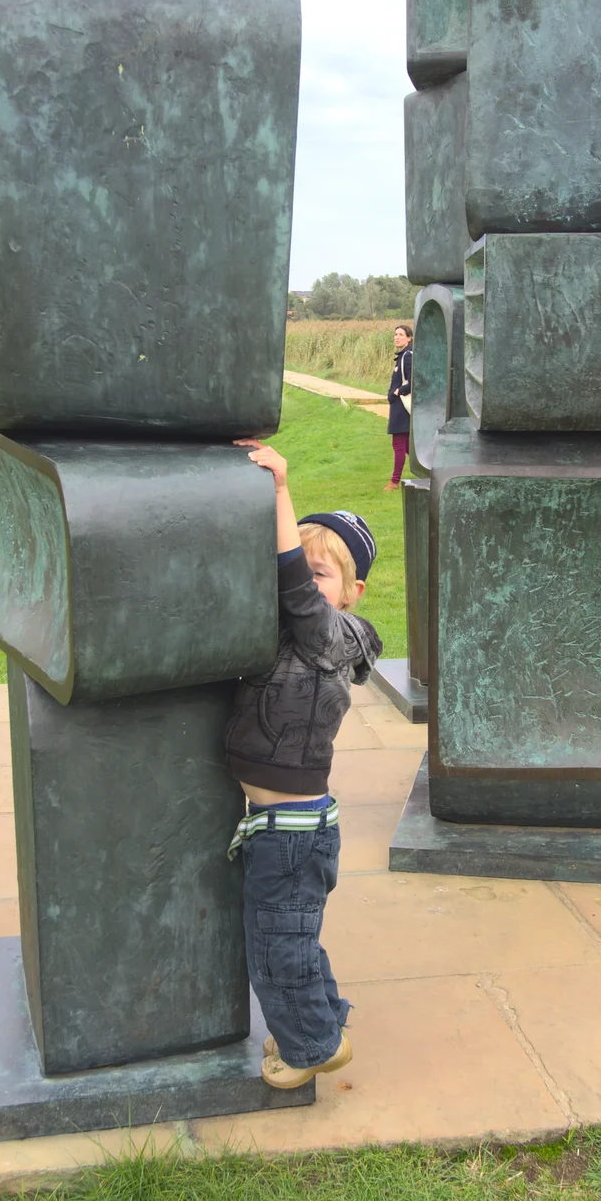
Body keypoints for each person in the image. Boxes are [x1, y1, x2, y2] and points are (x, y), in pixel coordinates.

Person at [226, 439, 383, 1089]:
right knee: (293, 939)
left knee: (277, 952)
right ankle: (328, 1023)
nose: (304, 580)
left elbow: (295, 591)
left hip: (291, 834)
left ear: (351, 592)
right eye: (306, 568)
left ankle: (310, 1047)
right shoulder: (290, 636)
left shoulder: (334, 636)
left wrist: (280, 490)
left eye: (324, 574)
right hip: (282, 829)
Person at [385, 323, 413, 490]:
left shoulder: (407, 356)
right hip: (399, 405)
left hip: (402, 406)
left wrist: (397, 392)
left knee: (399, 444)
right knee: (409, 446)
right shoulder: (402, 356)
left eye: (401, 334)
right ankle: (431, 472)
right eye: (396, 334)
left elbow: (413, 381)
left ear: (409, 338)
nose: (397, 337)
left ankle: (394, 481)